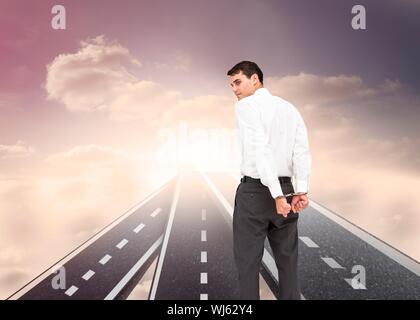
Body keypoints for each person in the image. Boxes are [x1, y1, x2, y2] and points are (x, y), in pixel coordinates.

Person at [227, 61, 311, 300]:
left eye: (238, 82)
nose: (234, 89)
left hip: (256, 192)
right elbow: (301, 151)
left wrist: (275, 194)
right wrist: (301, 189)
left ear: (255, 79)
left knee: (248, 265)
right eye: (231, 85)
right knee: (288, 265)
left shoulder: (246, 106)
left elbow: (259, 149)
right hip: (287, 189)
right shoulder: (289, 108)